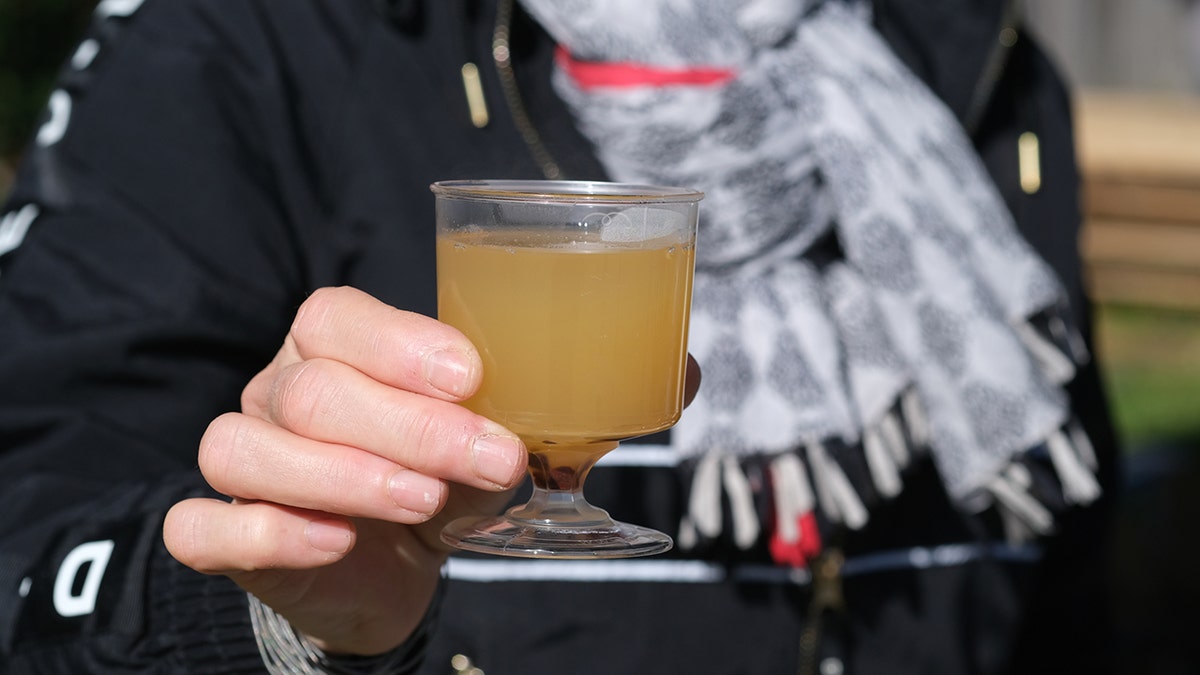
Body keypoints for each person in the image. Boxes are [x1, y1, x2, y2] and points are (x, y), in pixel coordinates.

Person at [0, 0, 1119, 673]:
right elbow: (27, 531)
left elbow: (1065, 555)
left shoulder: (972, 49)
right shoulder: (257, 38)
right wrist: (277, 613)